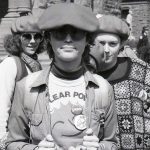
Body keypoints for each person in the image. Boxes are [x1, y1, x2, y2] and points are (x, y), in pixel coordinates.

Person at [6, 3, 117, 150]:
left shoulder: (103, 89)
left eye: (76, 33)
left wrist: (99, 148)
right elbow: (12, 143)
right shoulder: (27, 88)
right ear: (49, 39)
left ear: (87, 40)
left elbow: (112, 143)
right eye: (60, 33)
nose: (68, 39)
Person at [90, 14, 150, 150]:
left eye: (112, 44)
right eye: (101, 43)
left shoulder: (139, 69)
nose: (106, 50)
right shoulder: (85, 74)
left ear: (121, 44)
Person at [0, 14, 44, 149]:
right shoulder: (10, 64)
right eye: (27, 36)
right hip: (13, 137)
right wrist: (2, 138)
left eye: (37, 36)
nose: (32, 41)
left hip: (31, 136)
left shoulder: (36, 65)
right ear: (17, 39)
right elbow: (2, 102)